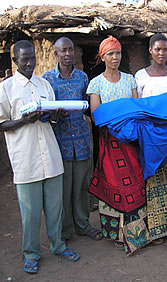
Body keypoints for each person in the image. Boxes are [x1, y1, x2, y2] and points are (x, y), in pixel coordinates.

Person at [0, 40, 79, 274]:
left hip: (51, 156)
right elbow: (2, 123)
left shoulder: (44, 84)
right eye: (24, 59)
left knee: (55, 209)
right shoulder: (6, 88)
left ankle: (58, 245)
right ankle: (31, 253)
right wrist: (24, 120)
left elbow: (51, 120)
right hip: (26, 158)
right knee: (31, 212)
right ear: (14, 61)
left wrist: (56, 115)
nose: (29, 63)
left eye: (32, 58)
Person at [87, 36, 148, 255]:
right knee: (113, 182)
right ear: (102, 56)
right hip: (110, 142)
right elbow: (96, 116)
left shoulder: (130, 80)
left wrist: (120, 116)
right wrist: (118, 117)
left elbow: (135, 108)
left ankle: (136, 233)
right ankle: (115, 233)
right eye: (110, 53)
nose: (115, 57)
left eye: (118, 53)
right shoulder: (96, 83)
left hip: (130, 140)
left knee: (134, 181)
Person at [42, 37, 102, 242]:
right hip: (60, 141)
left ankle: (83, 224)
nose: (68, 54)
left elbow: (88, 105)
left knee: (82, 186)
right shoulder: (47, 79)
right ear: (56, 53)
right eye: (63, 50)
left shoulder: (83, 78)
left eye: (71, 50)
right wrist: (53, 116)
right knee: (64, 188)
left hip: (82, 141)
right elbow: (43, 111)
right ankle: (66, 229)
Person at [135, 33, 167, 244]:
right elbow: (138, 105)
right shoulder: (140, 76)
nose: (162, 53)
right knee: (155, 178)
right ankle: (158, 228)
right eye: (157, 49)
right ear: (150, 50)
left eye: (165, 49)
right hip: (150, 135)